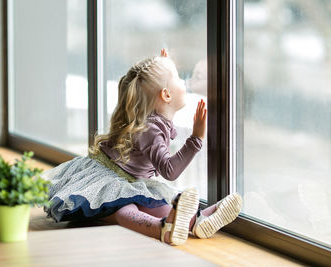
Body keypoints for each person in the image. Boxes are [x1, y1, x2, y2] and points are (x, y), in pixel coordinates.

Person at [44, 49, 242, 245]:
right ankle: (161, 228)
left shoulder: (152, 119)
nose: (184, 81)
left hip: (133, 181)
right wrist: (196, 139)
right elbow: (170, 171)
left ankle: (195, 221)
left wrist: (164, 66)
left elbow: (152, 88)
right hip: (109, 180)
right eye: (179, 78)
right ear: (165, 95)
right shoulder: (150, 131)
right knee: (124, 209)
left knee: (161, 205)